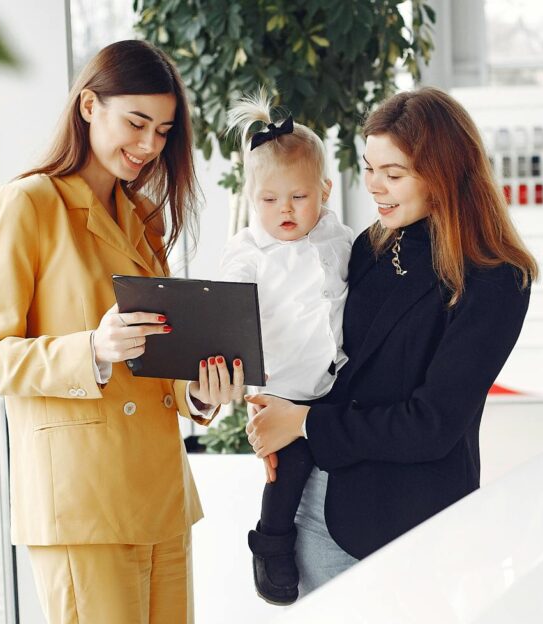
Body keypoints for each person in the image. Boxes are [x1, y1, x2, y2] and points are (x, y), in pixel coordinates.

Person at [0, 40, 243, 624]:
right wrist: (91, 347)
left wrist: (198, 393)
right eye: (136, 123)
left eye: (163, 131)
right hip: (82, 501)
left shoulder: (142, 215)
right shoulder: (26, 205)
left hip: (161, 496)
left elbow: (157, 353)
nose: (148, 146)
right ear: (89, 106)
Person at [245, 86, 537, 595]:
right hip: (321, 507)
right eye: (370, 168)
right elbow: (330, 360)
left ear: (443, 174)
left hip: (415, 524)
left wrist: (304, 422)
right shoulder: (371, 246)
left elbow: (433, 424)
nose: (375, 187)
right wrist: (276, 408)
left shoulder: (495, 280)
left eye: (394, 174)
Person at [218, 91, 353, 605]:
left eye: (298, 197)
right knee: (289, 466)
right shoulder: (250, 250)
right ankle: (271, 543)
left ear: (324, 189)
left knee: (338, 454)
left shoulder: (338, 237)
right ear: (253, 201)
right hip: (283, 387)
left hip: (337, 380)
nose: (285, 211)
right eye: (269, 201)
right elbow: (229, 301)